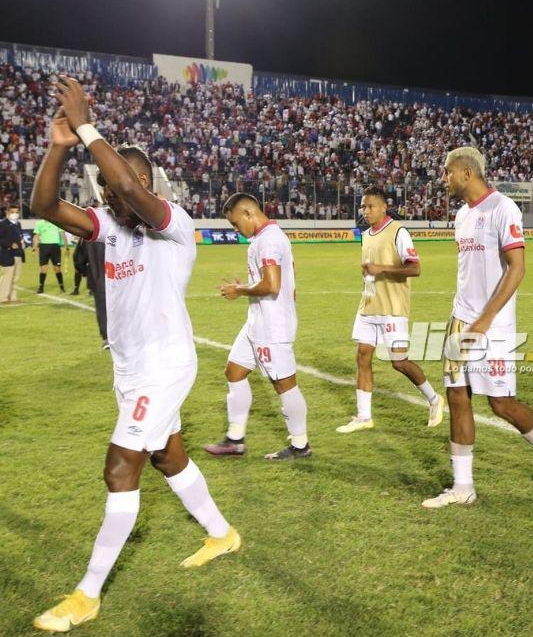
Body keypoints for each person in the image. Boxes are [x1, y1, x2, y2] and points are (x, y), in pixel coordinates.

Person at [30, 77, 238, 633]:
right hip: (128, 367)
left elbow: (125, 179)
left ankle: (87, 594)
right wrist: (59, 145)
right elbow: (44, 205)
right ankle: (222, 534)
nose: (122, 193)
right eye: (113, 188)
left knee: (121, 467)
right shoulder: (108, 228)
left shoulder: (174, 227)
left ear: (151, 186)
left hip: (166, 366)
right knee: (170, 456)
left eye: (133, 185)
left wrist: (88, 125)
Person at [423, 146, 533, 508]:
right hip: (461, 320)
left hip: (494, 325)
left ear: (466, 173)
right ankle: (463, 487)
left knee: (500, 403)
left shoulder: (504, 208)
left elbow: (516, 268)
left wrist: (485, 320)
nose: (444, 178)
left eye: (447, 172)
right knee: (457, 397)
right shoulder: (460, 216)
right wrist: (464, 319)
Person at [204, 192, 312, 460]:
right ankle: (235, 440)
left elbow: (272, 285)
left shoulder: (269, 241)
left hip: (272, 327)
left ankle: (300, 445)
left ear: (248, 213)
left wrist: (239, 290)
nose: (236, 230)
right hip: (257, 322)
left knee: (284, 384)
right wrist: (248, 286)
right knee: (234, 372)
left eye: (235, 223)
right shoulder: (265, 238)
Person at [337, 186, 444, 434]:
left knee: (399, 362)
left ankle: (434, 399)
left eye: (371, 206)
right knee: (362, 356)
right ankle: (364, 416)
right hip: (368, 306)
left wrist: (381, 270)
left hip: (393, 309)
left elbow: (415, 268)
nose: (366, 211)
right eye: (363, 206)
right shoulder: (366, 234)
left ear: (385, 206)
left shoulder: (399, 232)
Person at [33, 216, 66, 293]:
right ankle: (41, 288)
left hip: (55, 247)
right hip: (44, 247)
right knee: (43, 269)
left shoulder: (57, 222)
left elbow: (62, 234)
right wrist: (34, 247)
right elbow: (36, 236)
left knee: (57, 269)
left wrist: (66, 247)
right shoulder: (39, 224)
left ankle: (61, 287)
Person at [0, 204, 25, 304]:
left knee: (16, 276)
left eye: (17, 212)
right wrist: (10, 244)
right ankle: (3, 297)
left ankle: (13, 297)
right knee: (8, 276)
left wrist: (22, 243)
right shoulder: (2, 224)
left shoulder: (18, 224)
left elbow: (20, 236)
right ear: (7, 212)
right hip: (7, 253)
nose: (15, 214)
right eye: (12, 212)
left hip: (18, 253)